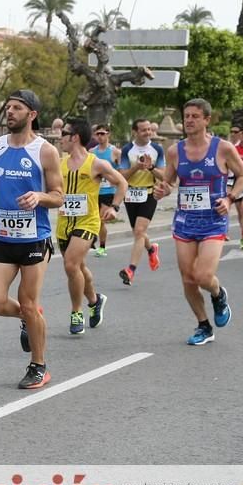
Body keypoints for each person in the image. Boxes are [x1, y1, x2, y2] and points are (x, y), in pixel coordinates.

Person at [0, 89, 63, 389]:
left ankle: (39, 365)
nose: (9, 112)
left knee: (28, 300)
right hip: (3, 238)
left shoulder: (45, 151)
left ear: (32, 115)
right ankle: (27, 318)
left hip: (35, 239)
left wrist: (39, 196)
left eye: (17, 108)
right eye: (7, 107)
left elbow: (58, 196)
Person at [153, 98, 243, 346]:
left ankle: (218, 294)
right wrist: (161, 191)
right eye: (186, 116)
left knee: (204, 276)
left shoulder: (223, 148)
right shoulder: (175, 151)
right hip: (185, 220)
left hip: (214, 220)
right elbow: (168, 182)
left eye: (195, 116)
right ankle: (204, 325)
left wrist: (229, 198)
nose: (189, 120)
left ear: (207, 119)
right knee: (188, 279)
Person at [57, 118, 127, 334]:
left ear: (75, 137)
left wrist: (114, 207)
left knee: (70, 265)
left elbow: (122, 183)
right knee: (78, 267)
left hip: (87, 222)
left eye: (63, 134)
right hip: (64, 223)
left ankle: (76, 312)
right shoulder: (59, 163)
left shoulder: (96, 163)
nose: (60, 138)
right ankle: (95, 301)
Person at [118, 119, 164, 285]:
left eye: (149, 129)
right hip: (130, 194)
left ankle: (130, 270)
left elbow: (164, 176)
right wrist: (136, 167)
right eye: (144, 130)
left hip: (149, 193)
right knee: (138, 232)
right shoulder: (127, 150)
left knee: (139, 231)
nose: (148, 133)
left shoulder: (157, 149)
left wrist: (151, 168)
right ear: (135, 132)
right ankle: (151, 249)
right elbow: (121, 176)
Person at [89, 123, 121, 256]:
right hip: (94, 191)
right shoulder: (91, 152)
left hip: (108, 191)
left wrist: (116, 182)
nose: (100, 136)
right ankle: (93, 241)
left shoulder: (115, 152)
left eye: (103, 133)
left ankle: (102, 247)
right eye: (97, 134)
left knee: (101, 219)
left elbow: (121, 172)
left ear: (108, 134)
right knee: (93, 218)